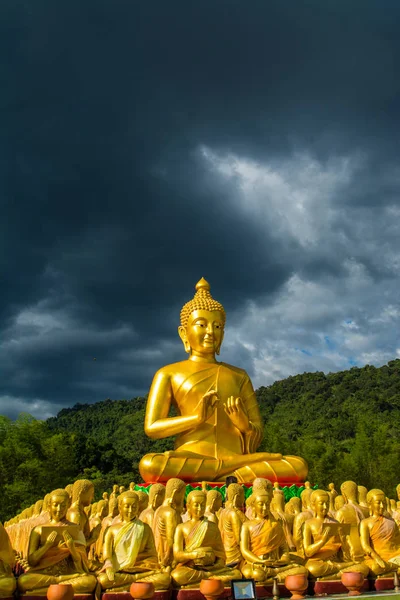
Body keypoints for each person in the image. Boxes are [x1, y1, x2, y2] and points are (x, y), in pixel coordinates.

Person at [139, 279, 308, 483]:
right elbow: (153, 427)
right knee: (150, 464)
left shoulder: (239, 375)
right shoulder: (168, 373)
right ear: (183, 333)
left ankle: (230, 474)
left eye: (217, 326)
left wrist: (245, 426)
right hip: (192, 458)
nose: (210, 331)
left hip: (238, 460)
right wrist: (196, 418)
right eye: (201, 324)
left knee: (298, 466)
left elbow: (257, 430)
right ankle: (229, 475)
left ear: (223, 334)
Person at [17, 489, 97, 595]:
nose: (59, 509)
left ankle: (42, 590)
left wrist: (71, 547)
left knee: (90, 581)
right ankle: (60, 585)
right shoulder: (38, 530)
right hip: (45, 574)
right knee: (23, 581)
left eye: (63, 506)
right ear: (49, 506)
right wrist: (46, 546)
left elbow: (81, 563)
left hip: (68, 573)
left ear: (68, 506)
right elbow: (31, 561)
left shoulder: (75, 529)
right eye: (55, 505)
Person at [98, 491, 170, 591]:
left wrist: (143, 564)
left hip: (141, 570)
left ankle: (125, 585)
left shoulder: (145, 528)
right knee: (103, 580)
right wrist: (109, 566)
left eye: (134, 507)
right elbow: (107, 555)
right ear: (120, 507)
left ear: (138, 508)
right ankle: (137, 584)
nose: (131, 510)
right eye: (127, 506)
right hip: (119, 571)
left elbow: (152, 555)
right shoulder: (111, 530)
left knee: (165, 579)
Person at [171, 491, 241, 586]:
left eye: (203, 505)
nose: (200, 509)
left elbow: (221, 554)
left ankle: (203, 579)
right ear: (188, 506)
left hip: (212, 567)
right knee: (176, 576)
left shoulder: (212, 526)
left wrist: (217, 564)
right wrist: (194, 555)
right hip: (191, 567)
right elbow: (177, 555)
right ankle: (209, 578)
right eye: (196, 505)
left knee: (237, 574)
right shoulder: (181, 527)